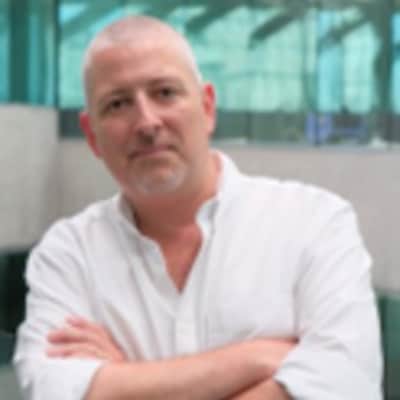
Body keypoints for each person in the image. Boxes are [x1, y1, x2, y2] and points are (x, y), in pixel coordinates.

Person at [14, 15, 382, 400]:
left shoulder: (315, 223)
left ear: (207, 108)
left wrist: (122, 380)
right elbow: (53, 389)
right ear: (92, 135)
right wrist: (254, 359)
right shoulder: (69, 254)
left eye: (165, 92)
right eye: (118, 104)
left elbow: (347, 384)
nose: (147, 122)